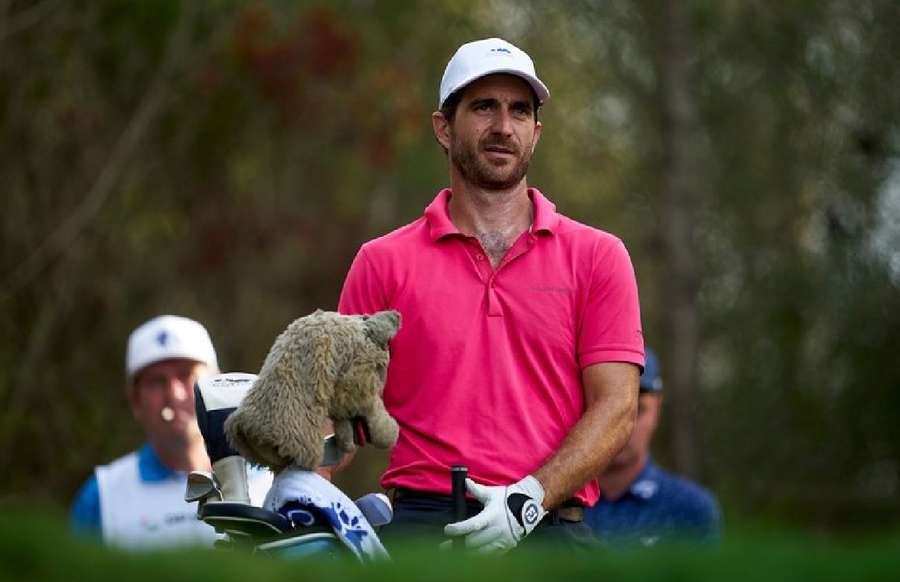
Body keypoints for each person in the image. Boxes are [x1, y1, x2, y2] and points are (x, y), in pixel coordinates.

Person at [338, 38, 644, 553]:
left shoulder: (599, 256)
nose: (503, 126)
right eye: (484, 107)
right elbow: (341, 413)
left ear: (536, 132)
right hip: (422, 529)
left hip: (552, 527)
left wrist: (529, 498)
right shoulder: (382, 262)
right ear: (443, 127)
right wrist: (297, 492)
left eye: (519, 111)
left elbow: (616, 407)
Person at [70, 315, 270, 550]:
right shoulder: (102, 496)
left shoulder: (274, 479)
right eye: (156, 382)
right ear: (135, 401)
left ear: (217, 386)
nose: (174, 394)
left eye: (187, 375)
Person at [584, 348, 721, 545]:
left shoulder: (690, 510)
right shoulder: (554, 505)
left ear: (657, 410)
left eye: (637, 410)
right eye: (609, 410)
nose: (623, 426)